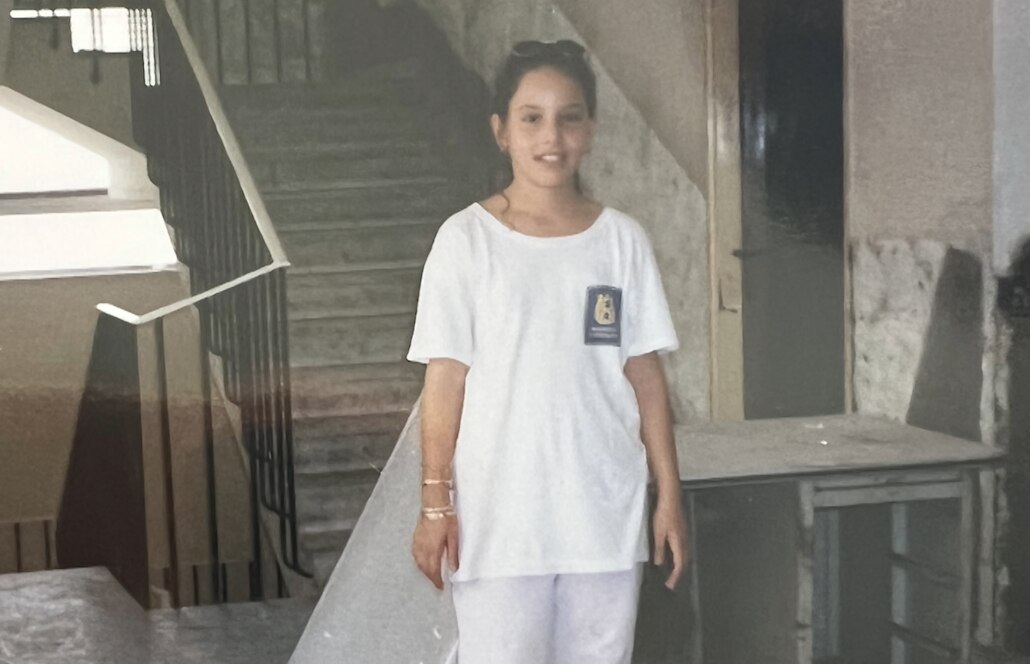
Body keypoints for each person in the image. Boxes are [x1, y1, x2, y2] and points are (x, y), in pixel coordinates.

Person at [406, 38, 689, 664]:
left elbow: (644, 377)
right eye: (531, 117)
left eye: (569, 116)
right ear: (501, 130)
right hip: (499, 521)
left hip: (603, 516)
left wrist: (667, 495)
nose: (551, 136)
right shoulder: (466, 242)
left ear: (590, 130)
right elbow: (445, 382)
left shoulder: (621, 242)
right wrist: (434, 505)